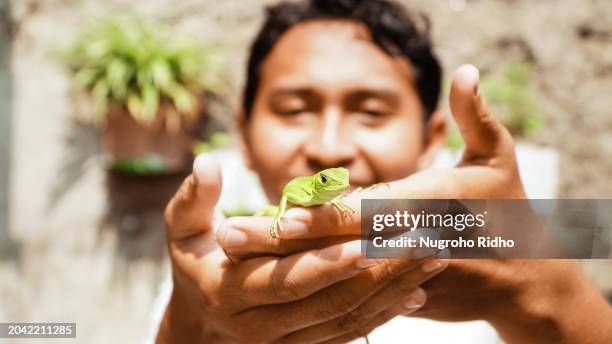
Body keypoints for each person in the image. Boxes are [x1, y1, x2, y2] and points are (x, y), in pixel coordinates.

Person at [156, 0, 612, 343]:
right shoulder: (217, 272)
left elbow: (589, 230)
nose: (329, 147)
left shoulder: (502, 232)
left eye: (371, 112)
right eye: (294, 109)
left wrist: (547, 291)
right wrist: (192, 320)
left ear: (433, 139)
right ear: (244, 134)